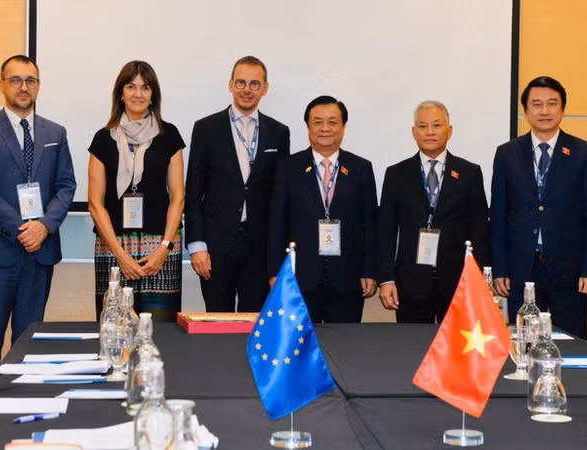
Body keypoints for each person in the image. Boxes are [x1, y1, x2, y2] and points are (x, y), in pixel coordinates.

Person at [0, 55, 76, 391]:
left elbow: (66, 186)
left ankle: (23, 414)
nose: (23, 87)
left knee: (30, 345)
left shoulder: (56, 132)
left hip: (39, 256)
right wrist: (21, 229)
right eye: (15, 80)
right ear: (2, 85)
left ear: (38, 86)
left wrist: (44, 226)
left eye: (30, 80)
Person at [490, 76, 587, 339]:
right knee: (525, 342)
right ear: (526, 110)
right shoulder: (507, 153)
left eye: (552, 104)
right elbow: (498, 214)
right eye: (537, 104)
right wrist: (500, 268)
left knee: (571, 344)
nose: (544, 111)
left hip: (570, 270)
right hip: (521, 268)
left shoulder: (584, 153)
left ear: (562, 108)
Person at [185, 56, 290, 312]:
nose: (247, 89)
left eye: (255, 84)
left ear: (265, 89)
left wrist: (279, 253)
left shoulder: (279, 132)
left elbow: (282, 198)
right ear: (231, 85)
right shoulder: (206, 128)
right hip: (216, 245)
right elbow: (194, 190)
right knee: (217, 320)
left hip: (260, 247)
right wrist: (197, 246)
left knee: (255, 321)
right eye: (241, 82)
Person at [87, 61, 185, 322]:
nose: (137, 94)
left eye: (145, 87)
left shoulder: (169, 135)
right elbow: (95, 204)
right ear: (121, 93)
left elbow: (178, 197)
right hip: (113, 246)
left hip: (160, 249)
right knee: (115, 331)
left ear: (153, 95)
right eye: (131, 87)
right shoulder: (102, 139)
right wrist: (120, 255)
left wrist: (164, 247)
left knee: (161, 336)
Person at [268, 95, 378, 322]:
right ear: (308, 126)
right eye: (318, 122)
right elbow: (277, 223)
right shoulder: (288, 168)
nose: (325, 128)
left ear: (343, 127)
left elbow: (370, 225)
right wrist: (274, 271)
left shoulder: (361, 168)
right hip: (299, 278)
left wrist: (369, 270)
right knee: (300, 347)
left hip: (348, 278)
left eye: (333, 122)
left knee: (345, 349)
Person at [377, 101, 490, 323]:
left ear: (449, 131)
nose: (429, 132)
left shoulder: (469, 173)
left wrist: (481, 280)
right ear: (413, 132)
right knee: (413, 351)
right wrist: (386, 279)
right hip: (411, 283)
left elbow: (480, 230)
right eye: (423, 126)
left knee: (456, 352)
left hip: (458, 282)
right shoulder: (396, 174)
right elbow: (385, 232)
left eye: (436, 125)